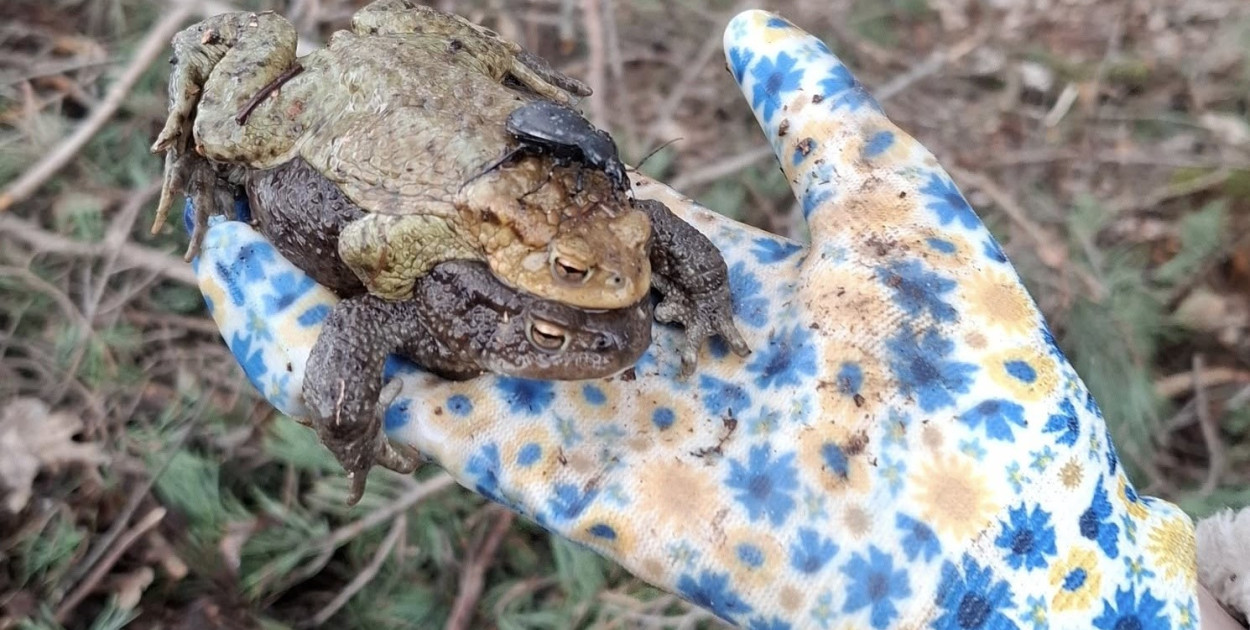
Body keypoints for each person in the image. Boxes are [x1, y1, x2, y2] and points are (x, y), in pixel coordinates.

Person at [188, 9, 1243, 629]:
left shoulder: (601, 237)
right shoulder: (436, 284)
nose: (619, 325)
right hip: (365, 160)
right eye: (566, 312)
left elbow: (636, 225)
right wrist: (353, 424)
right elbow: (369, 297)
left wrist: (1099, 594)